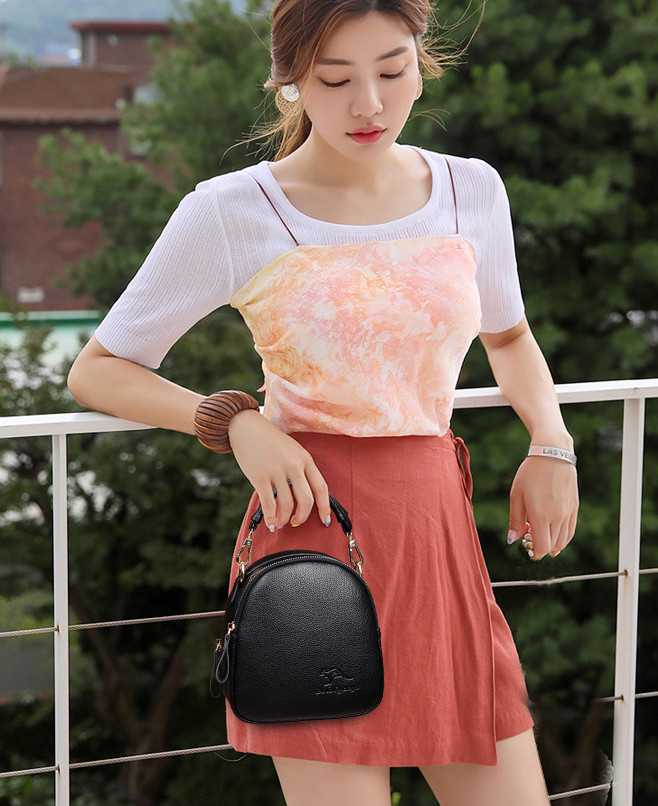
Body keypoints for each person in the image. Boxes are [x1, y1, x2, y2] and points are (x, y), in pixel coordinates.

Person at [67, 0, 579, 803]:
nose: (368, 104)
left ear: (422, 67)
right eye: (335, 80)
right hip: (312, 544)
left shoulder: (470, 189)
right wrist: (235, 422)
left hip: (438, 541)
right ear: (291, 83)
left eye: (392, 71)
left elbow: (509, 338)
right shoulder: (232, 210)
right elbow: (99, 370)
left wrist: (551, 442)